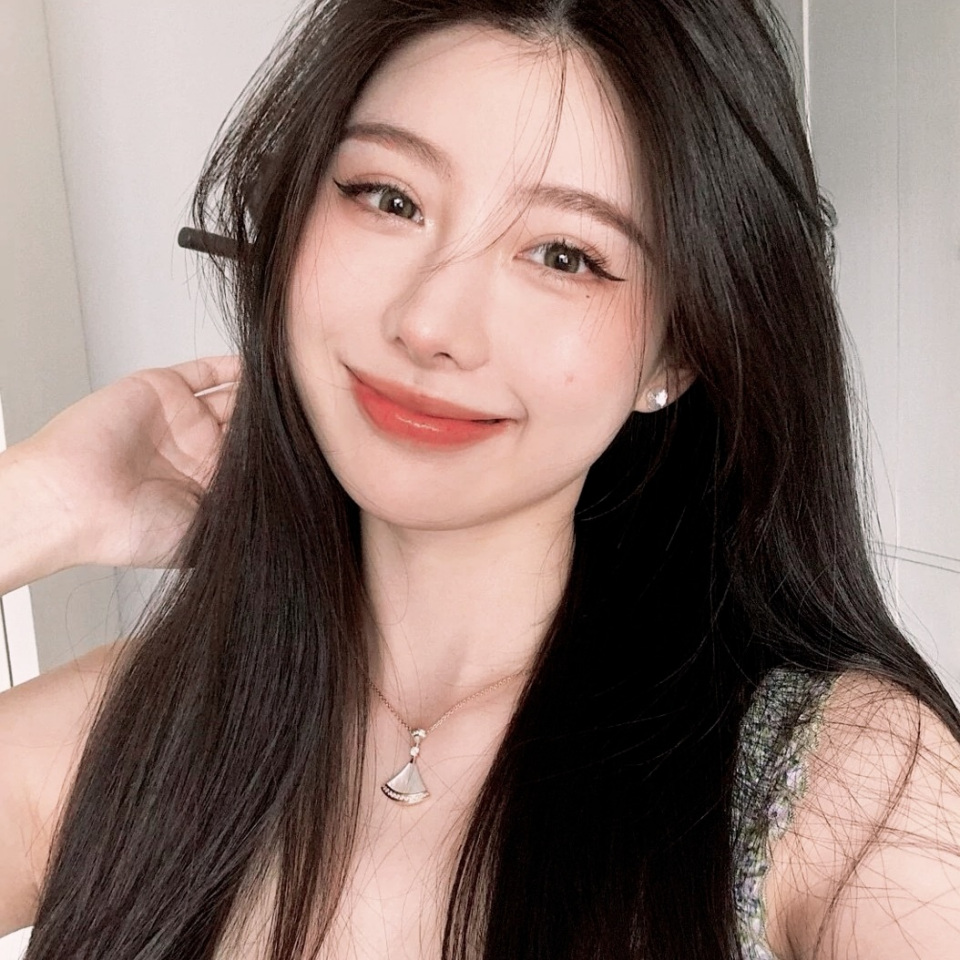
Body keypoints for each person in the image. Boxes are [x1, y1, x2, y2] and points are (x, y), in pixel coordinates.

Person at [1, 1, 959, 957]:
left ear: (679, 349)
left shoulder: (847, 788)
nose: (430, 325)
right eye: (389, 198)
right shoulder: (123, 736)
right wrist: (40, 501)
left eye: (564, 256)